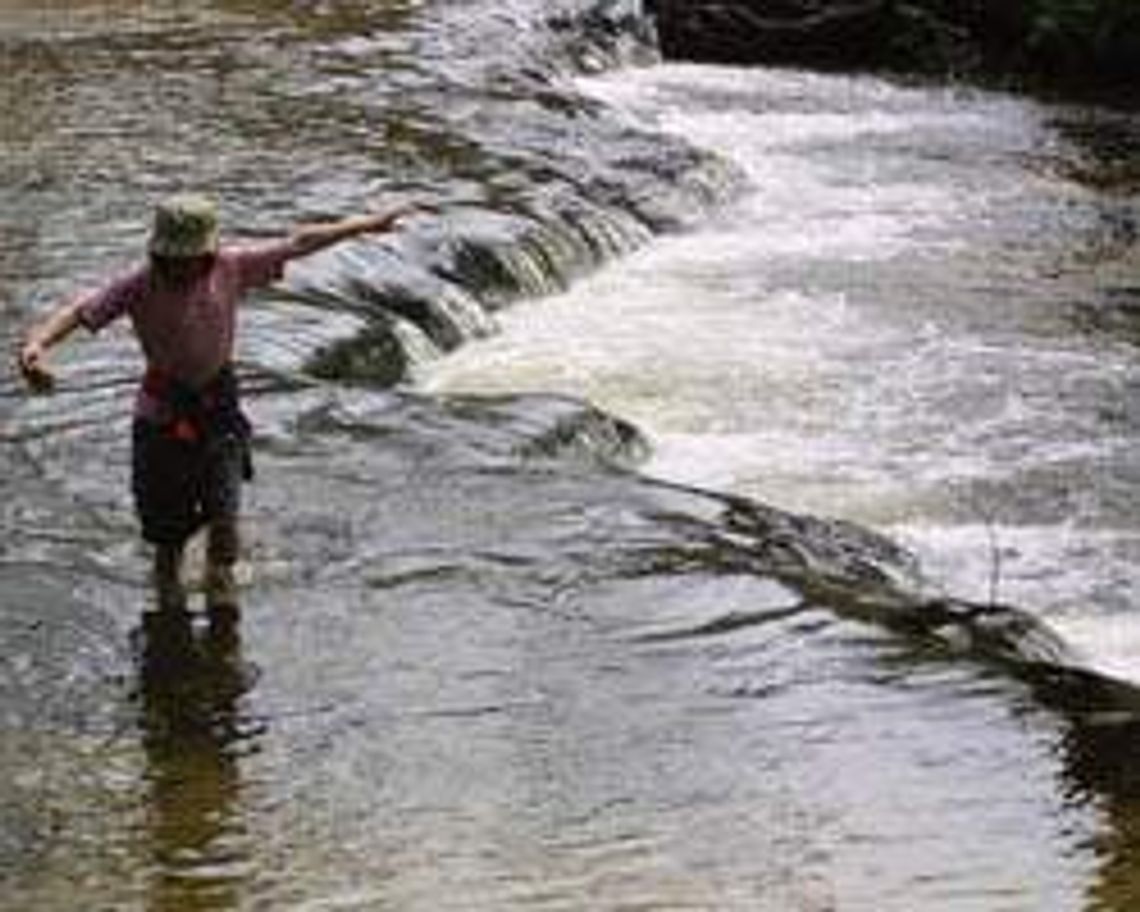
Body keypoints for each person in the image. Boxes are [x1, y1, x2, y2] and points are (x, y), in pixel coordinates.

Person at [16, 193, 418, 620]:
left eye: (194, 257)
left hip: (219, 408)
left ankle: (224, 611)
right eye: (176, 259)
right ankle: (168, 619)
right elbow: (80, 312)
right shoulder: (139, 285)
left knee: (224, 519)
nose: (185, 267)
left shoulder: (231, 266)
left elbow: (301, 241)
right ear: (160, 253)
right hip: (161, 415)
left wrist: (368, 224)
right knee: (166, 539)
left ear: (208, 252)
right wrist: (37, 345)